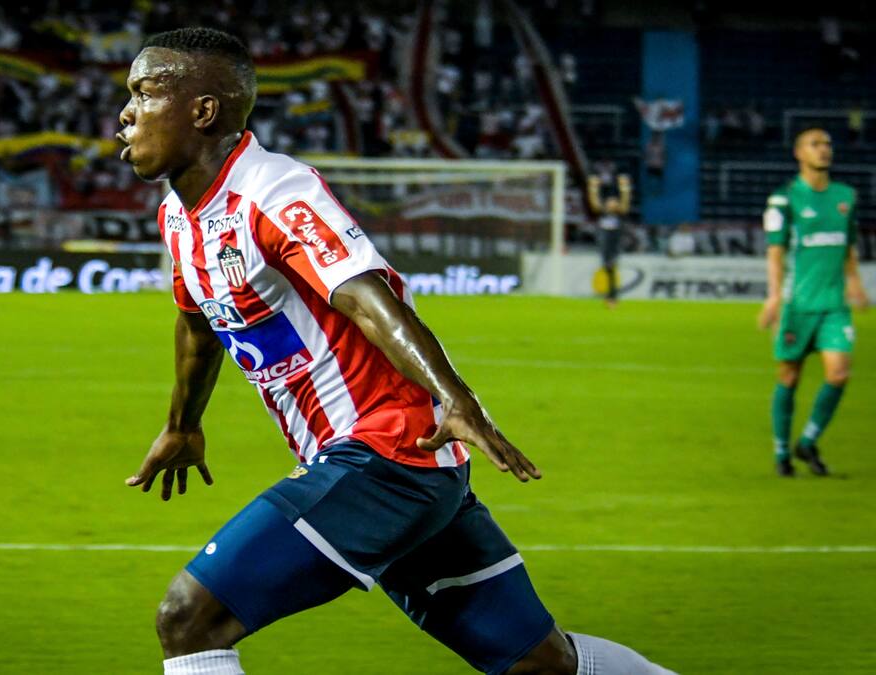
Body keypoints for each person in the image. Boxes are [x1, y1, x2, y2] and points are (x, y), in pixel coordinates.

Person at [118, 28, 674, 675]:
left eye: (144, 93)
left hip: (387, 454)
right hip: (401, 467)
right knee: (541, 664)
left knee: (188, 620)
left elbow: (364, 296)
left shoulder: (274, 191)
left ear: (203, 110)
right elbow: (197, 322)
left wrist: (455, 396)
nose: (126, 113)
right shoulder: (179, 216)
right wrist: (182, 425)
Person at [758, 128, 868, 477]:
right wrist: (774, 296)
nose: (824, 150)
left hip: (834, 305)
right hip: (797, 304)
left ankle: (807, 441)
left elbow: (848, 245)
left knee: (839, 373)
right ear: (798, 153)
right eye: (815, 144)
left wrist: (855, 282)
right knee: (789, 376)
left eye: (828, 144)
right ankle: (781, 452)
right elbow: (775, 252)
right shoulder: (784, 199)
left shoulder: (845, 196)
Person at [587, 172, 632, 307]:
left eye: (614, 201)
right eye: (610, 201)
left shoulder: (619, 214)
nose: (611, 203)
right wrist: (593, 187)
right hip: (603, 245)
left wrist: (625, 187)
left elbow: (625, 203)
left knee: (611, 267)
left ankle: (612, 298)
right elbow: (594, 202)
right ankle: (611, 296)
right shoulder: (603, 214)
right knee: (608, 269)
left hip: (615, 245)